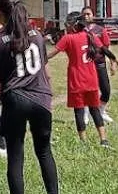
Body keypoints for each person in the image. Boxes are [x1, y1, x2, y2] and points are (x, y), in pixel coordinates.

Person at [0, 0, 65, 194]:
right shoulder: (37, 35)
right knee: (45, 151)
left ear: (0, 13)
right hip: (41, 100)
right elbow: (45, 72)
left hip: (15, 100)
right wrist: (48, 97)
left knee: (16, 157)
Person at [47, 12, 110, 148]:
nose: (66, 26)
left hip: (77, 80)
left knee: (79, 111)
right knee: (94, 109)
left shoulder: (68, 38)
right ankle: (104, 140)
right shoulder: (90, 35)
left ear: (74, 25)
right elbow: (103, 48)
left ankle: (83, 142)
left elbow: (51, 54)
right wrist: (114, 59)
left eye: (68, 23)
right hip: (91, 79)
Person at [81, 7, 118, 123]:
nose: (86, 16)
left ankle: (101, 111)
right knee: (89, 90)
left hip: (100, 63)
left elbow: (106, 47)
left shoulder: (100, 30)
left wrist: (112, 63)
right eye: (84, 14)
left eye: (88, 14)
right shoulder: (80, 31)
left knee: (106, 90)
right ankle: (86, 114)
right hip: (87, 64)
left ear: (93, 15)